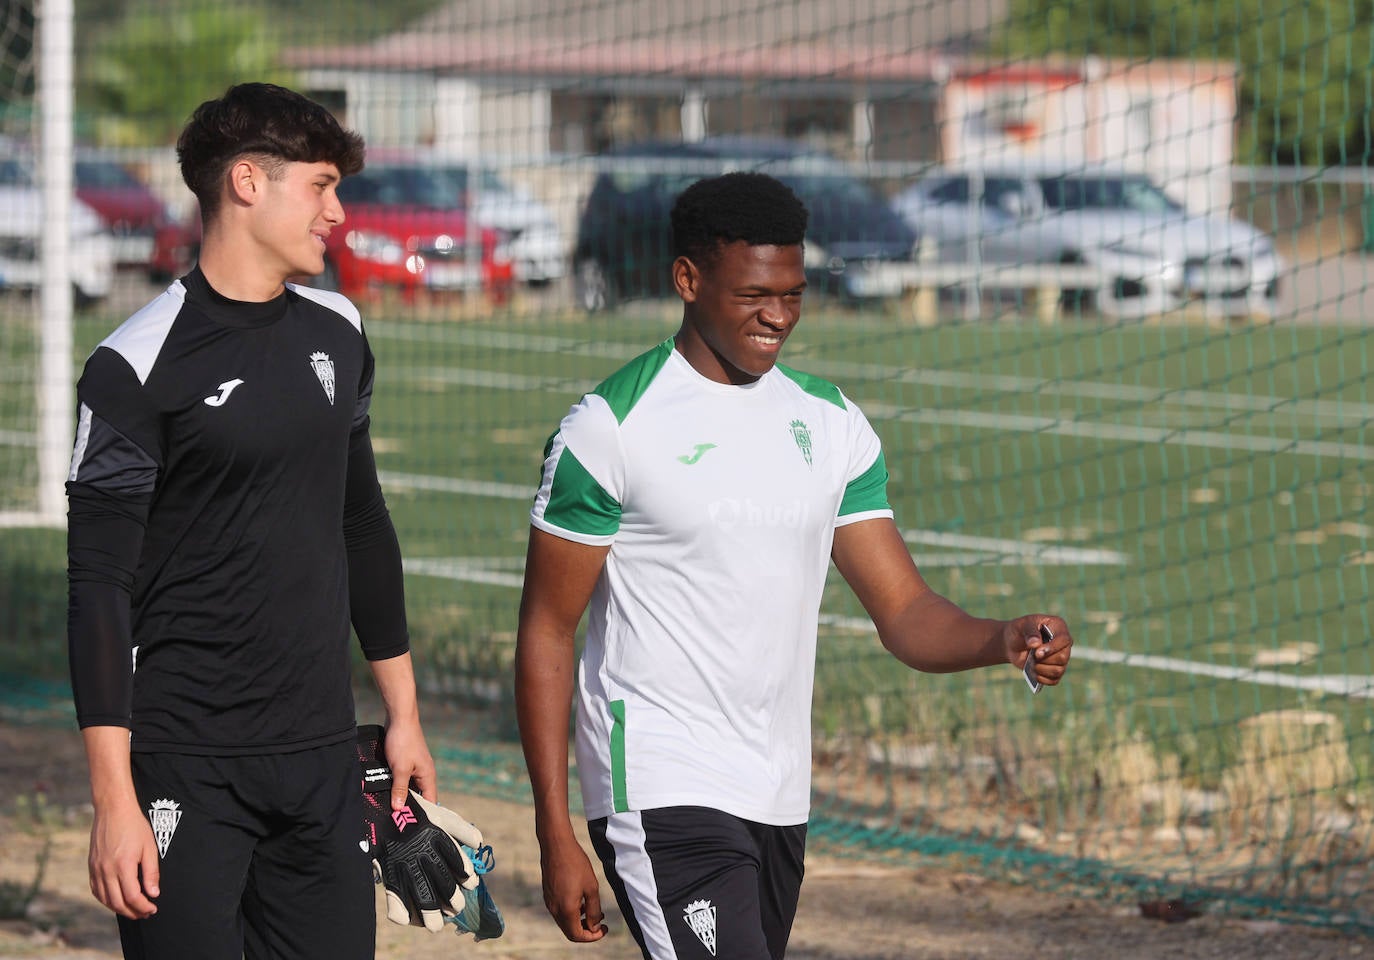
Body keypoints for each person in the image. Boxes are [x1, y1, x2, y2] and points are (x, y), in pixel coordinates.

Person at [514, 171, 1074, 960]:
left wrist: (1002, 638)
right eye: (752, 296)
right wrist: (555, 827)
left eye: (792, 292)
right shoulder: (610, 427)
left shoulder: (831, 423)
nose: (777, 315)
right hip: (658, 785)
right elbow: (546, 628)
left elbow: (906, 612)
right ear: (688, 280)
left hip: (777, 793)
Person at [65, 82, 438, 960]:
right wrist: (114, 801)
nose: (339, 212)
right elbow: (99, 589)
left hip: (321, 757)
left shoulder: (341, 332)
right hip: (183, 761)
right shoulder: (132, 365)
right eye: (320, 186)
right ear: (246, 182)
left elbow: (363, 525)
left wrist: (404, 716)